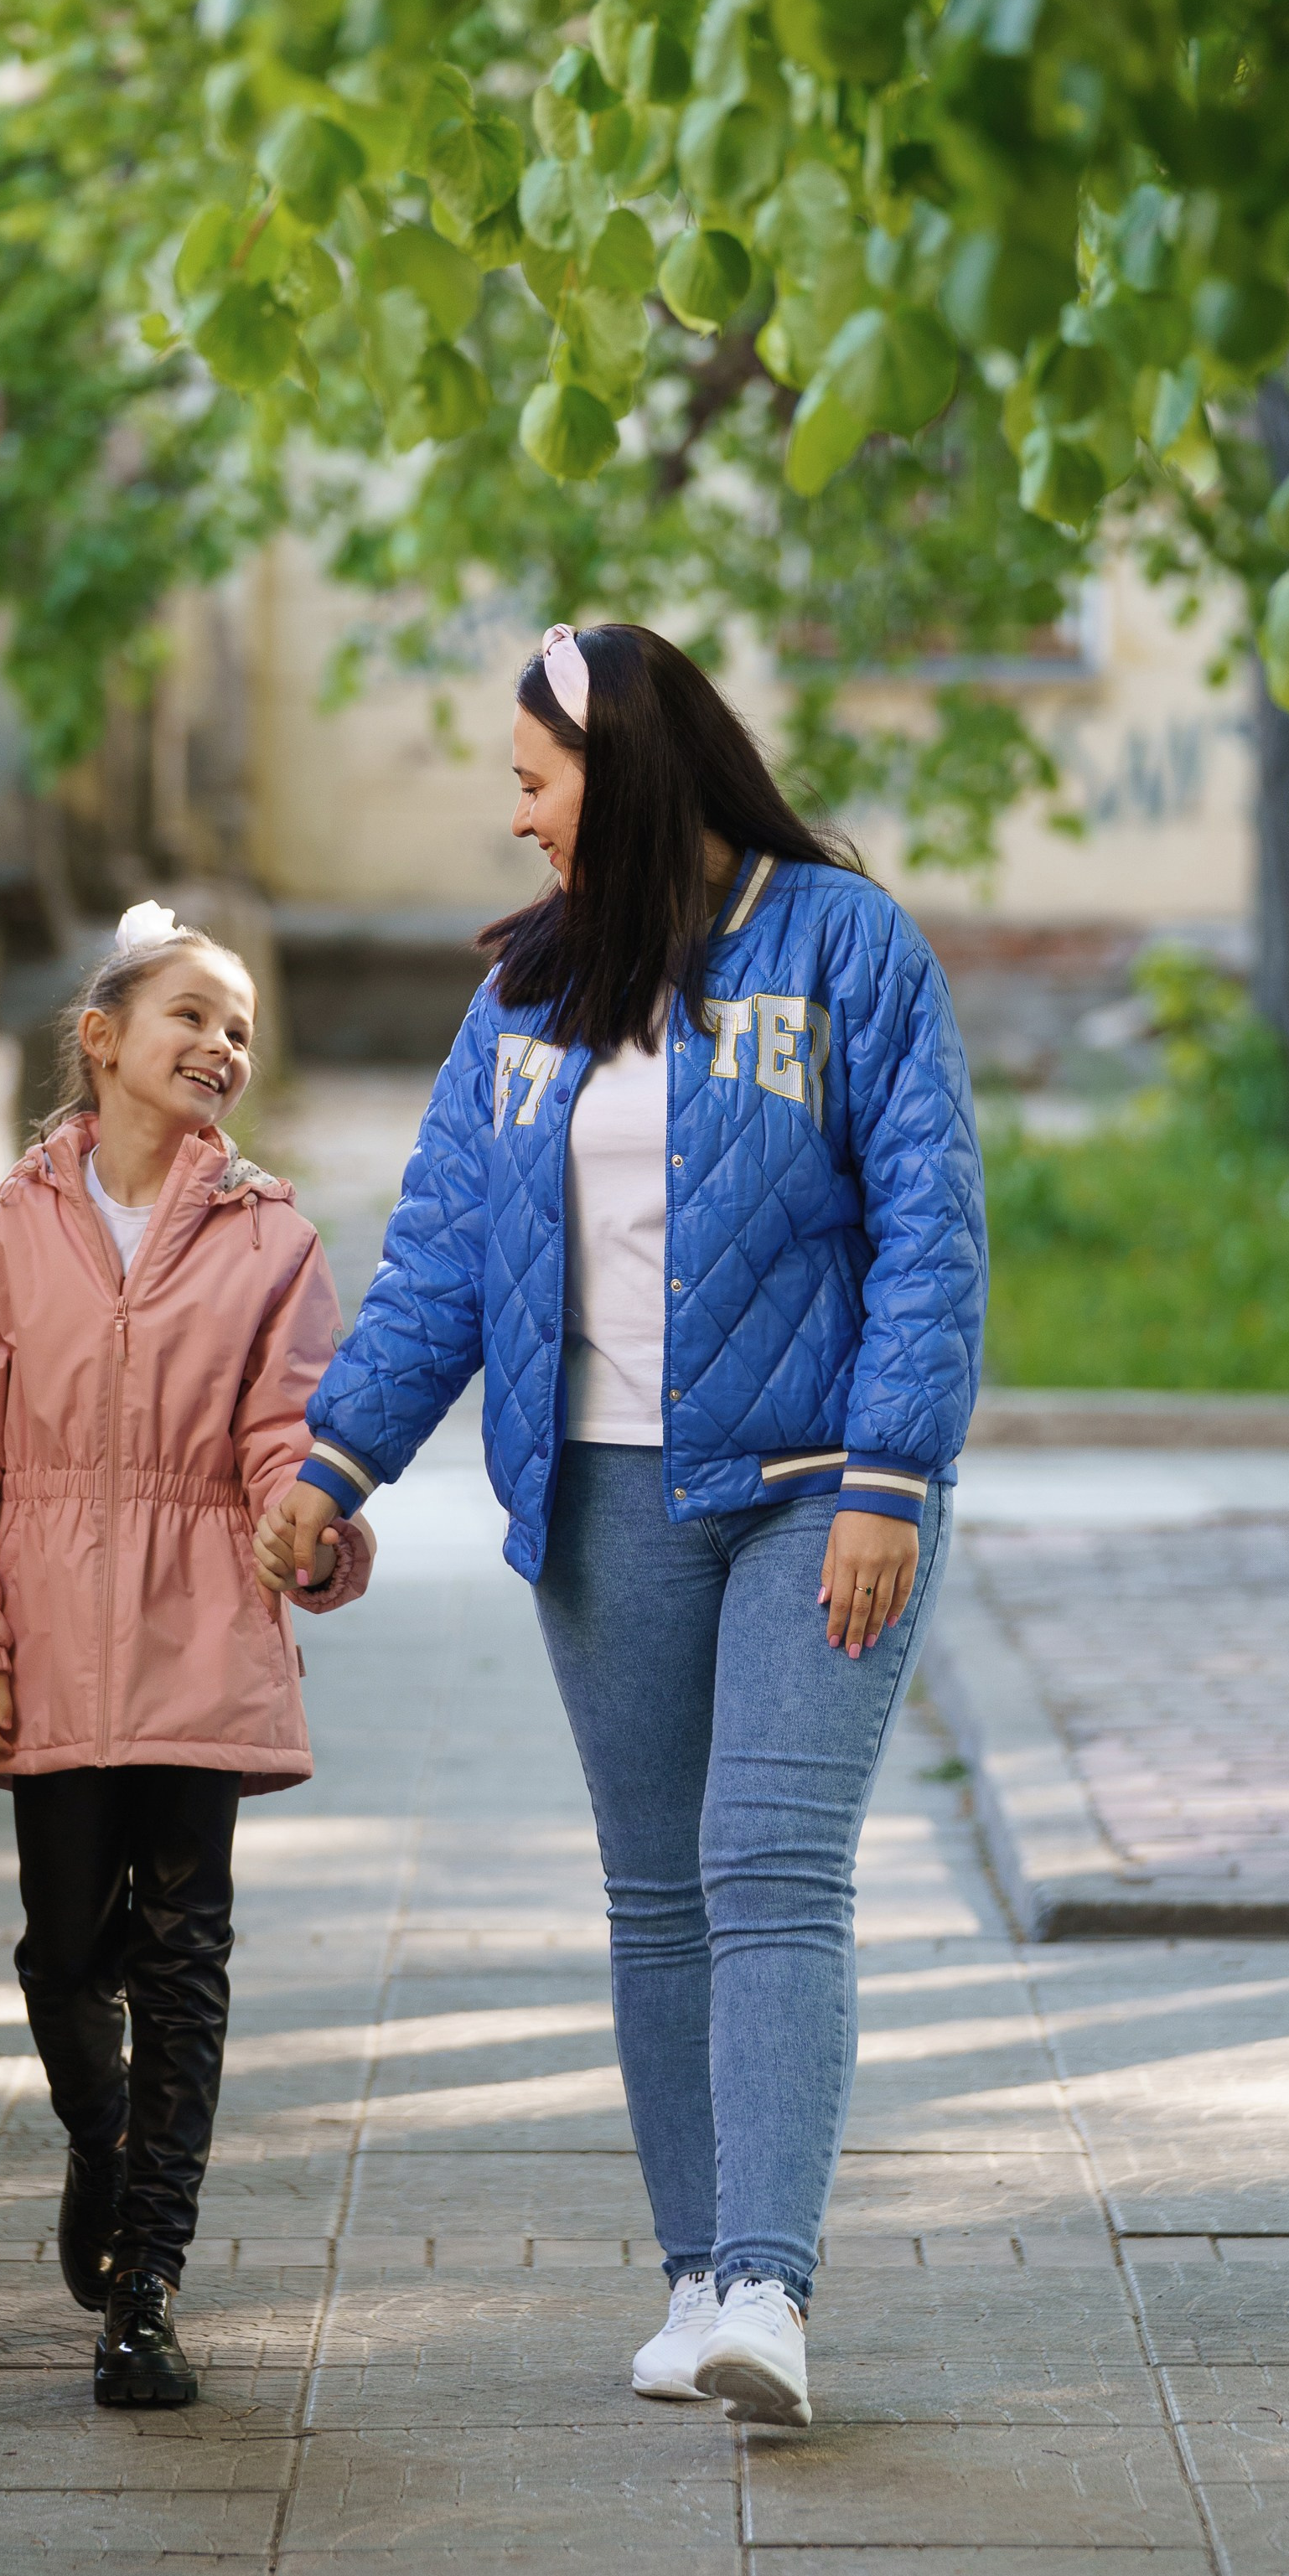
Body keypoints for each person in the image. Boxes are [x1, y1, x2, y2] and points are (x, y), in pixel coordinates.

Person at [256, 624, 984, 2428]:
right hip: (598, 1496)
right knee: (657, 1894)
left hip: (819, 1498)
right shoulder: (526, 997)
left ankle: (770, 2287)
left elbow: (932, 1226)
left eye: (533, 778)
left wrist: (891, 1473)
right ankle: (697, 2279)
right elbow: (436, 1252)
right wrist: (337, 1465)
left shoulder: (843, 945)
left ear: (628, 771)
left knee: (770, 1868)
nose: (516, 818)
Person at [0, 902, 372, 2410]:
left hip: (200, 1630)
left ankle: (145, 2285)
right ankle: (101, 2143)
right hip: (42, 1641)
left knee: (184, 1958)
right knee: (63, 1949)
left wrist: (316, 1524)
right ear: (100, 1040)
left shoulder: (271, 1239)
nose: (221, 1045)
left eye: (239, 1027)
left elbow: (293, 1427)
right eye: (190, 1017)